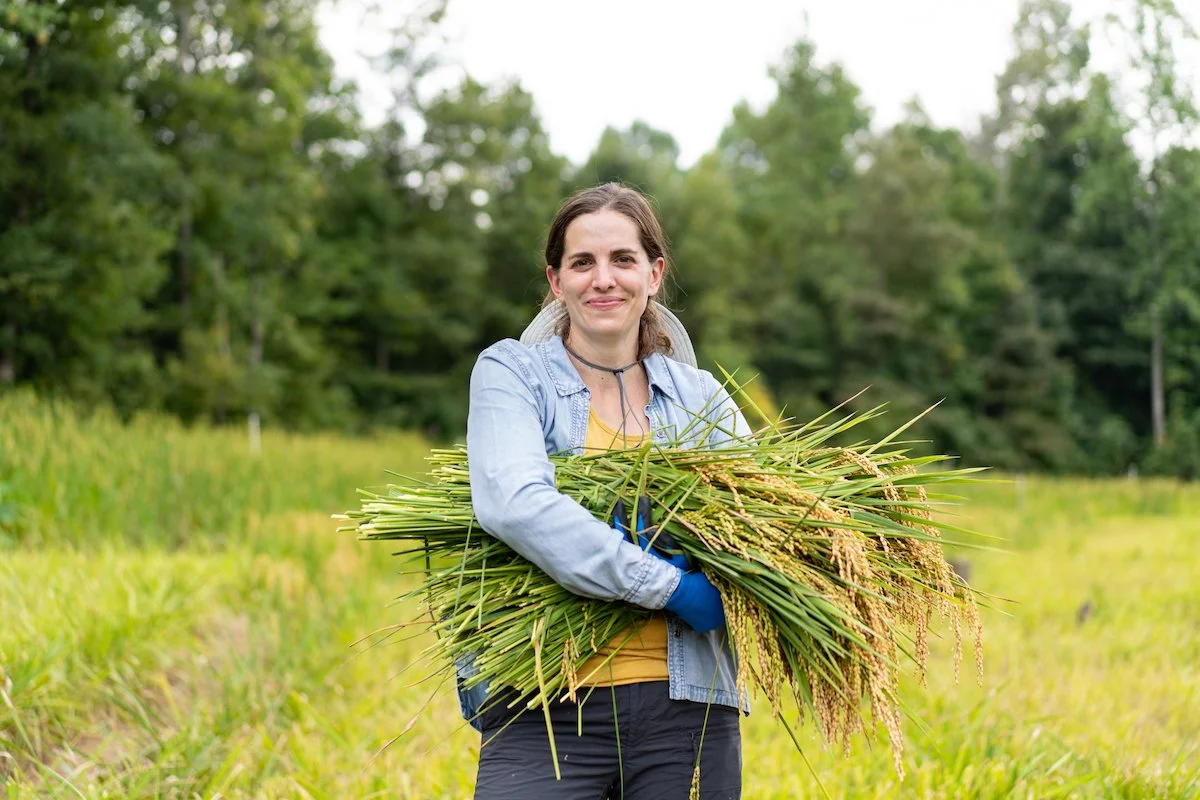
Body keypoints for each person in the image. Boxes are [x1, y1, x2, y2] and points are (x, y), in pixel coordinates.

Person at [464, 183, 751, 800]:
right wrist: (669, 586)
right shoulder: (512, 374)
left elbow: (764, 527)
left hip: (688, 705)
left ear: (654, 273)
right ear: (555, 280)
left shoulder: (702, 397)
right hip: (543, 700)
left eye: (622, 259)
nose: (604, 280)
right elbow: (513, 501)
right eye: (582, 262)